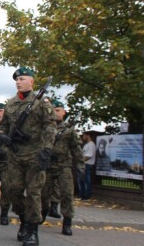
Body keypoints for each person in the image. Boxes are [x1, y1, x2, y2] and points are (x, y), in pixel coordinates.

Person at [0, 67, 56, 246]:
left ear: (31, 81)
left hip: (35, 155)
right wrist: (2, 135)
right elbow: (3, 126)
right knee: (13, 191)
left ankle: (32, 229)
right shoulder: (11, 103)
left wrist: (46, 150)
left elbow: (50, 126)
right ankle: (23, 219)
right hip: (15, 154)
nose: (18, 82)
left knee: (33, 193)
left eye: (22, 78)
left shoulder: (41, 102)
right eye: (16, 79)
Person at [39, 100, 84, 236]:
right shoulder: (45, 127)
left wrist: (80, 166)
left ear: (63, 112)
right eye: (52, 110)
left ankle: (67, 223)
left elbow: (76, 149)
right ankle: (43, 213)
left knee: (67, 195)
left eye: (58, 110)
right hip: (47, 166)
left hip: (64, 165)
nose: (55, 113)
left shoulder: (69, 130)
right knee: (43, 194)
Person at [78, 131, 96, 200]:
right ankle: (82, 194)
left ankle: (87, 195)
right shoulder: (86, 145)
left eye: (84, 136)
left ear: (88, 136)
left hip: (87, 164)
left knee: (86, 180)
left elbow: (88, 156)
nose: (83, 137)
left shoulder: (91, 145)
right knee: (81, 180)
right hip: (83, 165)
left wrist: (81, 161)